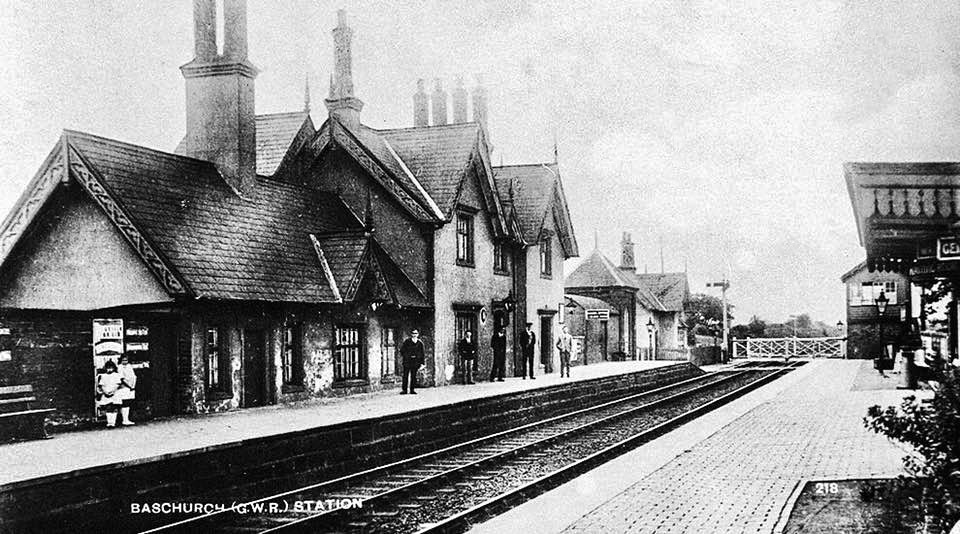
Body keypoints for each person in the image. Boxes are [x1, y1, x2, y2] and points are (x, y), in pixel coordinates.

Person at [97, 359, 123, 428]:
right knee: (108, 407)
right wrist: (105, 392)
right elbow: (101, 385)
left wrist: (113, 391)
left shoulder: (116, 375)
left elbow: (118, 384)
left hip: (114, 393)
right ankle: (109, 422)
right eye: (108, 368)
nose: (109, 369)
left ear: (114, 368)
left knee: (114, 407)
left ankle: (113, 422)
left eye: (111, 368)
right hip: (106, 393)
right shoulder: (103, 376)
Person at [400, 329, 425, 394]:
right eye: (413, 333)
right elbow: (402, 350)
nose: (414, 335)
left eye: (416, 333)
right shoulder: (407, 341)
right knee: (405, 376)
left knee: (413, 376)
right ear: (411, 334)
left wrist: (422, 363)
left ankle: (412, 390)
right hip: (407, 361)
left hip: (415, 362)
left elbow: (422, 353)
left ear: (418, 334)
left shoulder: (420, 343)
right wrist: (407, 356)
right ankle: (404, 390)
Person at [117, 354, 138, 425]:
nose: (125, 362)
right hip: (125, 387)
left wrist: (133, 385)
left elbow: (133, 376)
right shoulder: (120, 367)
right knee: (125, 402)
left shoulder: (129, 366)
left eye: (126, 360)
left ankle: (127, 419)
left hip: (131, 387)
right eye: (123, 360)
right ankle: (124, 419)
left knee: (129, 402)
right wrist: (129, 386)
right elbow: (122, 379)